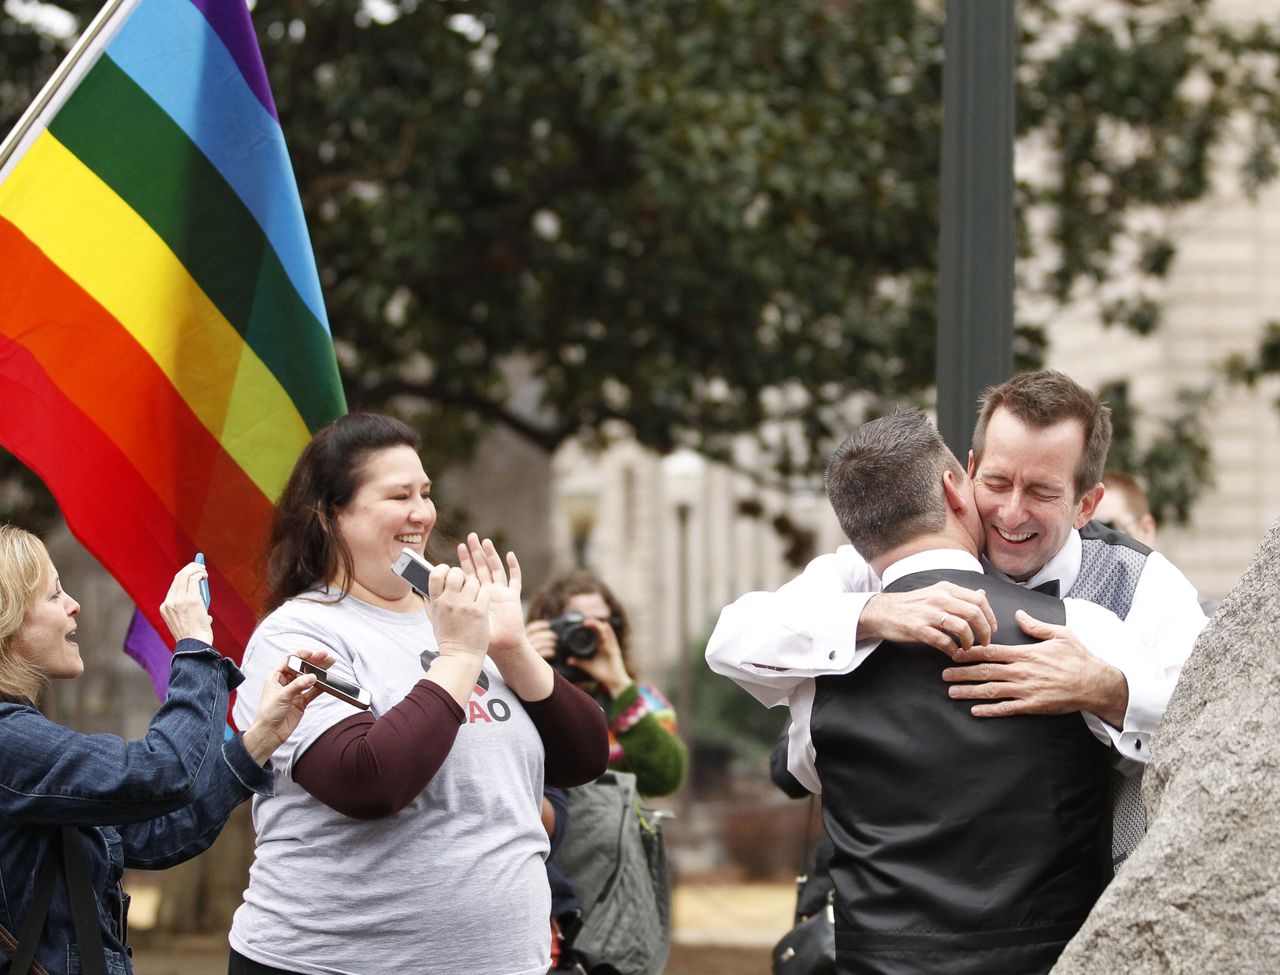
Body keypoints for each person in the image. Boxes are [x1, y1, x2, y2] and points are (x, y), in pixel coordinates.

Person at [707, 369, 1208, 869]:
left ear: (1086, 504)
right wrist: (870, 611)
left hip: (1092, 898)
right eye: (996, 482)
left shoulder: (1145, 584)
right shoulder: (876, 567)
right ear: (966, 474)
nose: (1012, 514)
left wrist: (1107, 690)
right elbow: (733, 640)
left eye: (1041, 492)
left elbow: (1206, 733)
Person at [714, 411, 1151, 973]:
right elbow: (1180, 733)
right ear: (954, 486)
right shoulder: (1082, 629)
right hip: (1046, 959)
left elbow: (806, 771)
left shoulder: (816, 667)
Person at [226, 413, 609, 975]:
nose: (422, 513)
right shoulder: (299, 634)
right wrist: (457, 658)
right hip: (328, 963)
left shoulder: (461, 617)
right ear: (331, 514)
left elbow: (584, 758)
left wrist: (511, 648)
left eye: (426, 493)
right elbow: (369, 781)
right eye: (398, 495)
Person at [0, 524, 323, 975]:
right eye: (54, 595)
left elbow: (153, 834)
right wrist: (194, 646)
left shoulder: (21, 739)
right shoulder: (8, 742)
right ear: (8, 620)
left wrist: (260, 739)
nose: (74, 604)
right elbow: (167, 771)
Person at [526, 571, 686, 972]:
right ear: (549, 627)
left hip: (613, 889)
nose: (591, 634)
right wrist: (521, 659)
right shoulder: (522, 689)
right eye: (576, 624)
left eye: (604, 623)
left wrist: (618, 683)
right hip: (546, 880)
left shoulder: (638, 700)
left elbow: (664, 776)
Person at [1097, 469, 1218, 615]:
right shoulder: (1074, 615)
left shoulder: (1202, 618)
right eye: (1083, 532)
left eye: (1108, 529)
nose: (1095, 543)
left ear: (1146, 530)